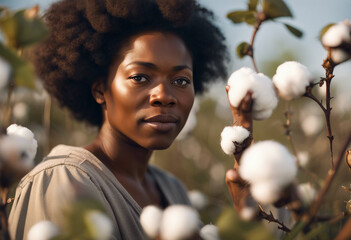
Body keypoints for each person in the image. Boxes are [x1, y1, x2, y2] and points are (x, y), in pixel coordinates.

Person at [8, 0, 253, 239]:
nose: (164, 96)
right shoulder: (62, 180)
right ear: (100, 90)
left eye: (181, 81)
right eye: (140, 77)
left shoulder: (171, 189)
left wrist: (248, 209)